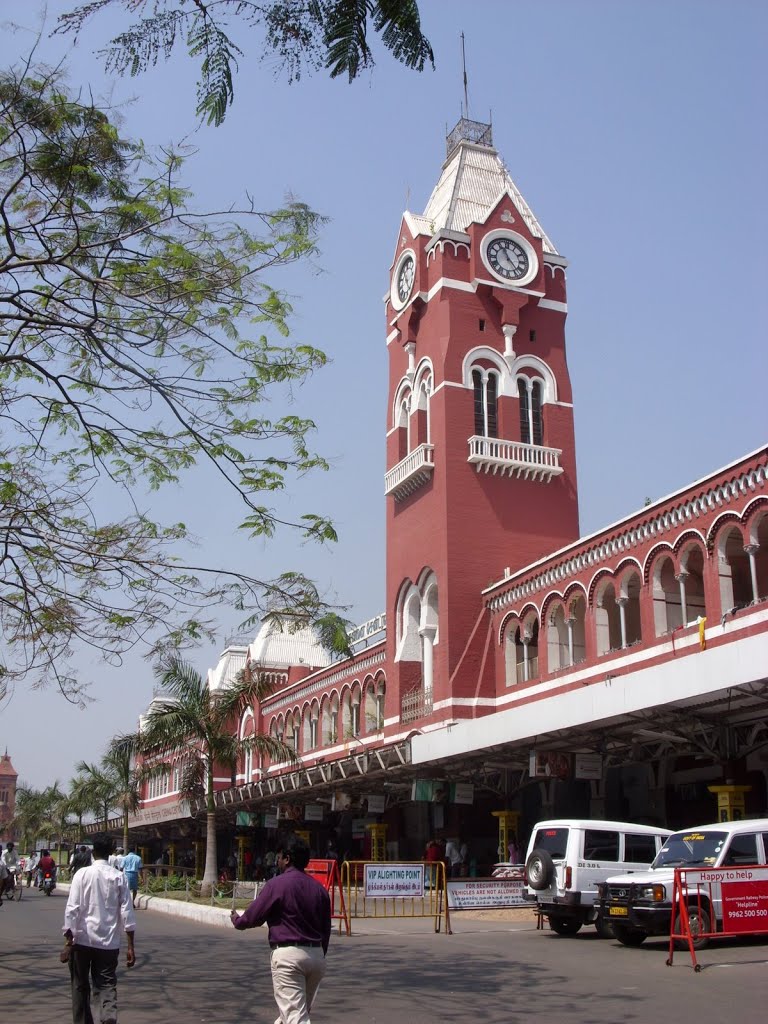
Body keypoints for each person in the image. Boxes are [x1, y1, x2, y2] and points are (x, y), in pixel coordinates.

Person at [230, 836, 331, 1024]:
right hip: (317, 957)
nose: (276, 861)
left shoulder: (276, 885)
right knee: (293, 1014)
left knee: (295, 1017)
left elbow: (253, 917)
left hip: (289, 959)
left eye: (278, 856)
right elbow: (326, 929)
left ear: (287, 859)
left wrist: (237, 919)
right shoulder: (320, 890)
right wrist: (319, 953)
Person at [61, 834, 136, 1024]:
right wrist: (130, 946)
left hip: (82, 941)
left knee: (80, 987)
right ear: (111, 852)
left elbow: (72, 909)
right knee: (107, 985)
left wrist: (68, 942)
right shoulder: (119, 878)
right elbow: (127, 912)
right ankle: (108, 1016)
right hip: (108, 943)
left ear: (93, 852)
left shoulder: (82, 874)